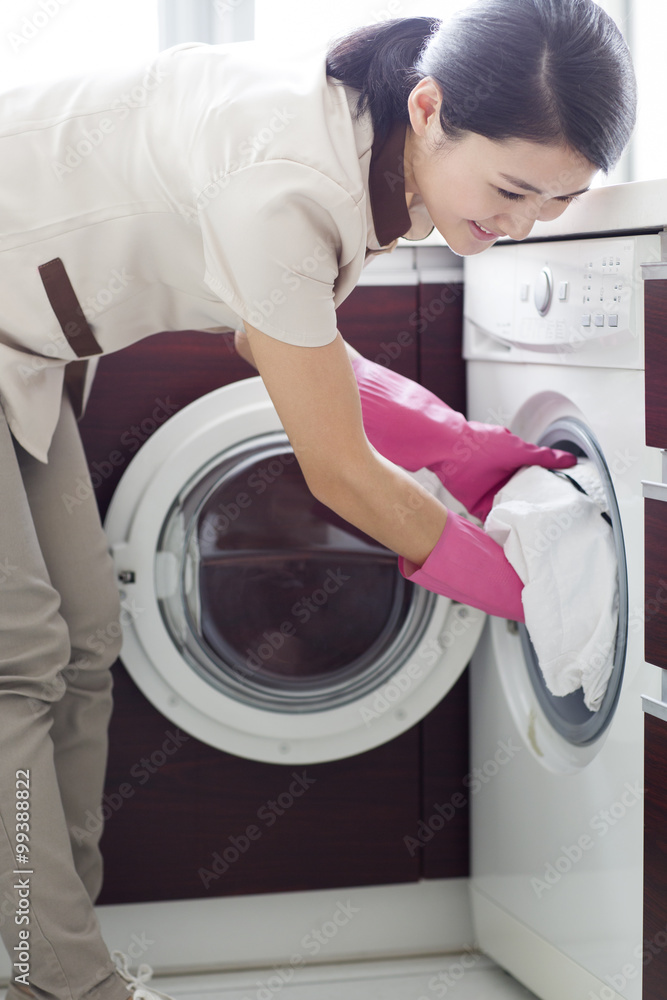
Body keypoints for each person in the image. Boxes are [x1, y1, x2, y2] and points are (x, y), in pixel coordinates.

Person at [0, 1, 635, 999]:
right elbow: (334, 470)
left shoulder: (367, 147)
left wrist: (460, 449)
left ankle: (45, 959)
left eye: (551, 205)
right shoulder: (291, 175)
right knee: (20, 661)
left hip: (26, 348)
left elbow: (287, 341)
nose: (517, 225)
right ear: (430, 109)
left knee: (84, 641)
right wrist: (515, 581)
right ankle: (66, 980)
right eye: (511, 189)